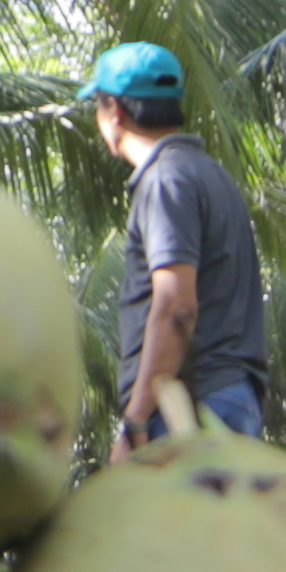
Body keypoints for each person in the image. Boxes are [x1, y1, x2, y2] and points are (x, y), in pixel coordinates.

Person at [85, 39, 269, 447]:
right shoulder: (210, 174)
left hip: (188, 409)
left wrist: (135, 421)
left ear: (114, 111)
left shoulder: (165, 181)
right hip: (229, 400)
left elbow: (176, 307)